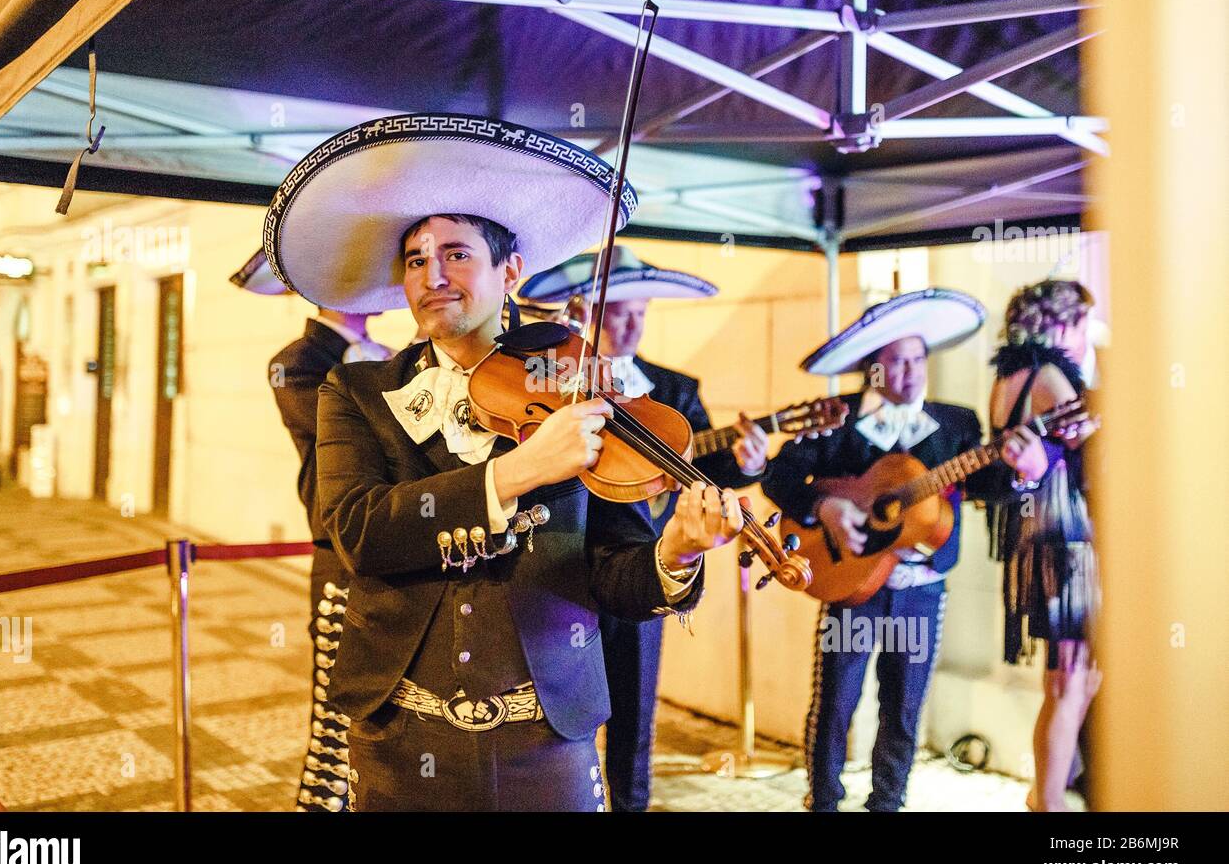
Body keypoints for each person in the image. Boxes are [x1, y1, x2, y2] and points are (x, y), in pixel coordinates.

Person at [263, 113, 744, 811]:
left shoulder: (574, 388)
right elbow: (359, 531)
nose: (433, 275)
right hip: (401, 735)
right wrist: (517, 472)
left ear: (510, 270)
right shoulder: (358, 391)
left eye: (457, 254)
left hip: (544, 742)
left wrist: (676, 552)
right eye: (417, 259)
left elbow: (617, 572)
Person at [762, 288, 1042, 812]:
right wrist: (822, 505)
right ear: (873, 369)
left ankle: (887, 803)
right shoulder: (837, 416)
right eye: (896, 361)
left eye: (918, 358)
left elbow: (984, 487)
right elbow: (778, 475)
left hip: (920, 588)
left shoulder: (956, 424)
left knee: (904, 707)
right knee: (836, 704)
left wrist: (1024, 476)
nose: (911, 371)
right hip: (851, 585)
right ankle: (822, 801)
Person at [519, 248, 769, 812]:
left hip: (640, 558)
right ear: (588, 313)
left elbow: (709, 466)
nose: (627, 326)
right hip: (560, 564)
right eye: (614, 315)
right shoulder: (556, 384)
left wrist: (750, 462)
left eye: (638, 314)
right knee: (556, 707)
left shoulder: (675, 389)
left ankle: (630, 804)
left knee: (634, 708)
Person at [231, 248, 393, 811]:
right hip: (340, 554)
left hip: (396, 555)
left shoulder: (390, 358)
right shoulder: (297, 361)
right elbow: (353, 442)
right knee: (334, 728)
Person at [986, 278, 1101, 812]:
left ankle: (1053, 788)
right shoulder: (1052, 377)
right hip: (1064, 539)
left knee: (1077, 676)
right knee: (1066, 680)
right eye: (1079, 324)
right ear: (1059, 325)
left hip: (1038, 536)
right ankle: (1048, 803)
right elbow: (1088, 451)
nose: (1085, 337)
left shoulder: (1010, 375)